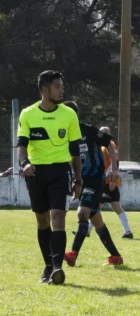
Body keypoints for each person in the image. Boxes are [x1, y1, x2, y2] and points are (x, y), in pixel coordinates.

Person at [17, 70, 83, 285]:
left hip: (60, 172)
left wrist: (78, 180)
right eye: (57, 85)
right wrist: (24, 163)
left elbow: (75, 152)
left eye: (61, 85)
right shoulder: (27, 114)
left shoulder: (69, 115)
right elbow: (22, 145)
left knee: (58, 217)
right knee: (42, 219)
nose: (61, 89)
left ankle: (57, 268)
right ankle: (48, 266)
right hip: (36, 173)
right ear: (44, 89)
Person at [62, 102, 124, 267]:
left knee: (82, 213)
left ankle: (73, 254)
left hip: (95, 178)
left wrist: (114, 169)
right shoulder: (65, 133)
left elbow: (109, 144)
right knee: (96, 221)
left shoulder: (88, 130)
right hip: (82, 181)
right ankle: (116, 257)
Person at [100, 127, 134, 239]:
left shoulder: (109, 145)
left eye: (104, 133)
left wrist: (111, 181)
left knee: (112, 207)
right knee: (100, 206)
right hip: (105, 181)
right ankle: (128, 231)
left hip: (108, 181)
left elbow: (114, 164)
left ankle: (128, 231)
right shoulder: (106, 145)